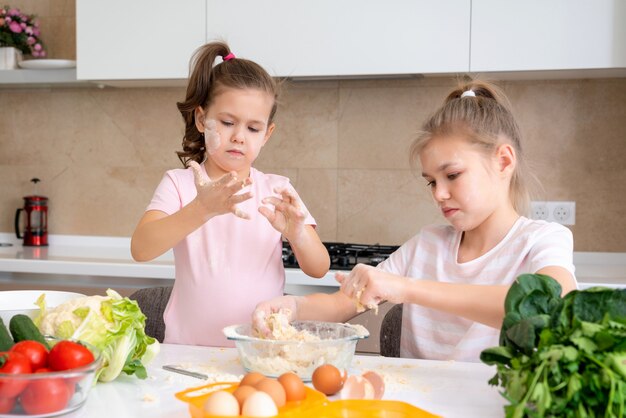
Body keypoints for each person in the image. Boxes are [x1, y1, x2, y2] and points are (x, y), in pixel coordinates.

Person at [253, 80, 577, 362]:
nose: (439, 194)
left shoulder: (541, 240)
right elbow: (340, 305)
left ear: (503, 161)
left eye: (452, 175)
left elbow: (552, 304)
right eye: (432, 182)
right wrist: (291, 308)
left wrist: (407, 288)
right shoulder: (427, 245)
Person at [131, 41, 330, 347]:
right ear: (201, 120)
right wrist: (202, 208)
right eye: (227, 123)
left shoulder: (277, 189)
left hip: (260, 351)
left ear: (267, 134)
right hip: (187, 352)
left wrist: (298, 234)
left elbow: (319, 268)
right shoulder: (180, 184)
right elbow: (141, 249)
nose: (239, 136)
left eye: (253, 128)